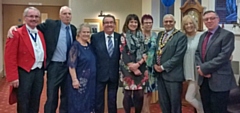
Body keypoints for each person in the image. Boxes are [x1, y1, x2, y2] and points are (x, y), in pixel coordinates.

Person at [7, 6, 77, 113]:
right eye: (64, 13)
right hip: (53, 66)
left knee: (65, 95)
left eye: (69, 14)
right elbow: (32, 25)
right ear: (60, 15)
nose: (67, 16)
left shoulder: (73, 29)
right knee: (51, 96)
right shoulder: (51, 25)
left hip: (64, 67)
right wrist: (15, 27)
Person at [4, 7, 46, 113]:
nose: (34, 19)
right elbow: (9, 57)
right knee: (23, 102)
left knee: (35, 100)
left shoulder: (40, 33)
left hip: (38, 72)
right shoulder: (16, 33)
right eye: (31, 16)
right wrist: (13, 77)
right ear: (25, 18)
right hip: (24, 72)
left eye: (36, 16)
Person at [195, 10, 236, 113]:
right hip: (204, 81)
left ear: (218, 19)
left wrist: (204, 68)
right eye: (206, 19)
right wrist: (200, 69)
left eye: (212, 18)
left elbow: (223, 56)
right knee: (207, 109)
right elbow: (197, 53)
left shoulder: (227, 35)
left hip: (220, 81)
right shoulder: (203, 36)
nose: (209, 21)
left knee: (218, 110)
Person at [153, 14, 187, 113]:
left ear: (174, 23)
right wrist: (155, 64)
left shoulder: (180, 36)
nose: (168, 23)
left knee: (175, 104)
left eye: (170, 21)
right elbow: (156, 51)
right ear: (163, 23)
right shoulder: (160, 35)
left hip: (173, 76)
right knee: (163, 103)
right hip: (160, 75)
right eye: (166, 21)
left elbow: (178, 56)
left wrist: (163, 67)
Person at [90, 15, 121, 113]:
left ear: (115, 24)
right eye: (106, 23)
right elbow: (92, 55)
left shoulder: (119, 37)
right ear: (103, 25)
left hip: (114, 74)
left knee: (112, 100)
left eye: (111, 22)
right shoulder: (95, 37)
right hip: (99, 74)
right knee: (98, 101)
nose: (109, 24)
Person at [120, 14, 148, 113]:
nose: (133, 24)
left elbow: (145, 52)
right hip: (127, 68)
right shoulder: (123, 36)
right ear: (127, 23)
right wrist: (132, 67)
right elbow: (123, 52)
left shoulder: (142, 35)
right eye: (131, 22)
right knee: (127, 94)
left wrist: (138, 64)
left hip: (141, 67)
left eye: (135, 22)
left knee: (139, 94)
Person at [67, 23, 96, 113]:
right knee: (78, 104)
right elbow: (71, 65)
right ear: (79, 33)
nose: (86, 34)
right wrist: (74, 80)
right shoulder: (75, 46)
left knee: (89, 104)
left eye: (88, 32)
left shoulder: (89, 46)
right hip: (80, 82)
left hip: (91, 82)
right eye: (84, 32)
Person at [181, 15, 204, 113]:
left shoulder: (201, 35)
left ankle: (203, 110)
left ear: (194, 24)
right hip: (187, 70)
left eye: (190, 23)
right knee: (197, 97)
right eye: (186, 24)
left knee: (189, 97)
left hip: (197, 71)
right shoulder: (183, 38)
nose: (189, 26)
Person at [140, 14, 157, 113]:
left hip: (152, 67)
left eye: (150, 23)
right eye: (146, 23)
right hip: (142, 67)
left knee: (150, 91)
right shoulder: (139, 35)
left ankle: (147, 109)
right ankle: (144, 111)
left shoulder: (155, 35)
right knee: (143, 92)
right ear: (142, 24)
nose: (148, 24)